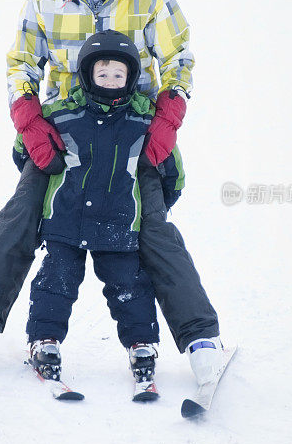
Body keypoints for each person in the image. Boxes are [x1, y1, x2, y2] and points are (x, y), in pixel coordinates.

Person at [0, 0, 222, 402]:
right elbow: (20, 61)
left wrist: (167, 118)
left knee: (155, 231)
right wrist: (31, 122)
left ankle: (201, 337)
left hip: (133, 130)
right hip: (61, 134)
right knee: (19, 217)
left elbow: (179, 56)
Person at [25, 31, 183, 400]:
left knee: (130, 286)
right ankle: (44, 341)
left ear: (130, 79)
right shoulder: (63, 115)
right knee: (56, 281)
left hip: (118, 225)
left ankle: (141, 346)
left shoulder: (142, 123)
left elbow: (171, 170)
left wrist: (153, 206)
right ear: (87, 76)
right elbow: (25, 148)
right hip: (66, 220)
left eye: (118, 75)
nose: (110, 82)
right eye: (102, 74)